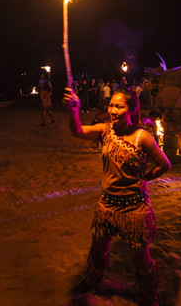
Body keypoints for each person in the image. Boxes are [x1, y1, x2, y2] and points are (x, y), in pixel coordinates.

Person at [63, 86, 171, 305]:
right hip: (107, 205)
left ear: (131, 110)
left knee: (140, 259)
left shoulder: (143, 137)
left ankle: (150, 294)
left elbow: (165, 164)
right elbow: (77, 131)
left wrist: (146, 177)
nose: (112, 110)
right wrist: (74, 109)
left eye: (118, 106)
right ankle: (94, 276)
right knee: (97, 249)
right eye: (111, 105)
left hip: (135, 208)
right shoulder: (104, 130)